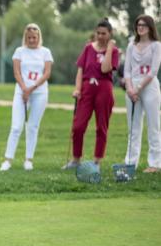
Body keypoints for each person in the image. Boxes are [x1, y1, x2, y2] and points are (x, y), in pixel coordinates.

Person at [64, 18, 120, 170]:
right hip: (87, 88)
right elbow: (80, 70)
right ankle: (76, 159)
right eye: (98, 33)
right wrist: (77, 88)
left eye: (104, 34)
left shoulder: (114, 52)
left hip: (104, 89)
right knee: (78, 126)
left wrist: (109, 48)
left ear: (110, 34)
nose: (100, 36)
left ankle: (97, 162)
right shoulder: (88, 48)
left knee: (101, 127)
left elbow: (105, 69)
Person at [0, 24, 53, 171]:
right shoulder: (19, 51)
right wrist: (24, 88)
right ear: (25, 37)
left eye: (34, 37)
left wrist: (32, 87)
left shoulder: (45, 52)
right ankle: (8, 160)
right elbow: (17, 72)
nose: (31, 40)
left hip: (39, 93)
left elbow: (47, 73)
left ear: (38, 37)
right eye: (29, 37)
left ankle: (28, 159)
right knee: (16, 126)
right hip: (21, 92)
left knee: (33, 127)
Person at [123, 14, 161, 173]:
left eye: (144, 25)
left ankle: (155, 163)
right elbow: (126, 71)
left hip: (149, 87)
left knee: (154, 125)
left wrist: (137, 89)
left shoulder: (156, 45)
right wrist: (130, 89)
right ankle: (130, 163)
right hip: (131, 89)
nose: (141, 27)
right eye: (138, 24)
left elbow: (153, 71)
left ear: (150, 27)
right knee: (133, 128)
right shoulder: (131, 45)